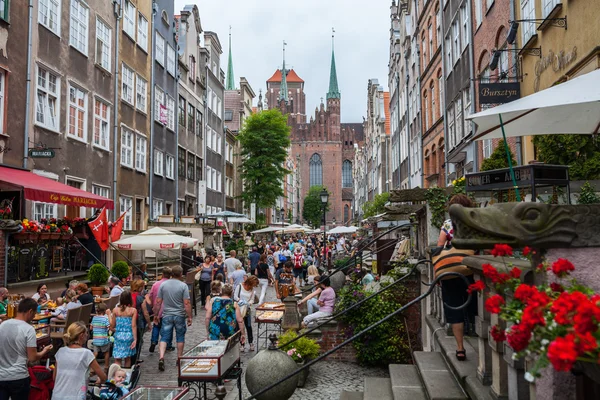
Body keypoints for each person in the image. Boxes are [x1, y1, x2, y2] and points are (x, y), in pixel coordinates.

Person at [436, 193, 478, 361]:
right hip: (471, 270)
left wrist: (437, 274)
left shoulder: (448, 224)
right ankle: (479, 340)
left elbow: (439, 247)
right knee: (474, 307)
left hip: (452, 271)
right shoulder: (474, 223)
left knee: (455, 310)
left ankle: (460, 348)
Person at [0, 298, 53, 399]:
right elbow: (32, 358)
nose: (33, 317)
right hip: (19, 376)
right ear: (30, 311)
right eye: (34, 314)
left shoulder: (3, 325)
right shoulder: (28, 329)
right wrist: (44, 351)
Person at [52, 321, 106, 399]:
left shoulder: (60, 351)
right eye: (86, 333)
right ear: (81, 336)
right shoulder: (86, 353)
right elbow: (103, 377)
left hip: (57, 396)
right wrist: (99, 380)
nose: (87, 335)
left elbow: (55, 377)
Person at [154, 266, 192, 371]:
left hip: (167, 315)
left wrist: (156, 315)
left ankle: (161, 357)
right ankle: (179, 358)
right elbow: (187, 303)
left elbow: (158, 302)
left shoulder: (163, 285)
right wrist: (189, 316)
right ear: (180, 274)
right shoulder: (183, 286)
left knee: (164, 337)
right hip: (179, 315)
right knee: (180, 337)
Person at [147, 267, 173, 353]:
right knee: (167, 328)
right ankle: (167, 344)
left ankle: (154, 341)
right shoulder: (171, 284)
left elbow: (150, 295)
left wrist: (151, 305)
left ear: (162, 274)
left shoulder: (156, 284)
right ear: (170, 275)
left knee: (156, 326)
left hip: (157, 308)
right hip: (167, 309)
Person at [111, 291, 138, 368]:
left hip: (119, 335)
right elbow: (133, 325)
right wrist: (135, 339)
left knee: (117, 358)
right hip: (128, 335)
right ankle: (126, 375)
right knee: (127, 358)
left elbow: (113, 325)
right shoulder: (133, 310)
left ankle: (117, 374)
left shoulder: (115, 310)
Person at [234, 276, 259, 352]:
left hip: (247, 310)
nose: (253, 287)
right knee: (239, 327)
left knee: (248, 326)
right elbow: (235, 296)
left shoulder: (252, 290)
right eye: (253, 285)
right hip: (238, 308)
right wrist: (240, 300)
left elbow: (252, 300)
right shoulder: (240, 286)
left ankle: (251, 343)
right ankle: (242, 344)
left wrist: (248, 303)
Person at [91, 302, 112, 374]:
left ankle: (92, 367)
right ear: (105, 311)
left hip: (96, 339)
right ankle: (106, 366)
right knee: (106, 353)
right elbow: (109, 326)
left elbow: (91, 327)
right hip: (103, 339)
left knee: (95, 353)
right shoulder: (105, 319)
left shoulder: (94, 318)